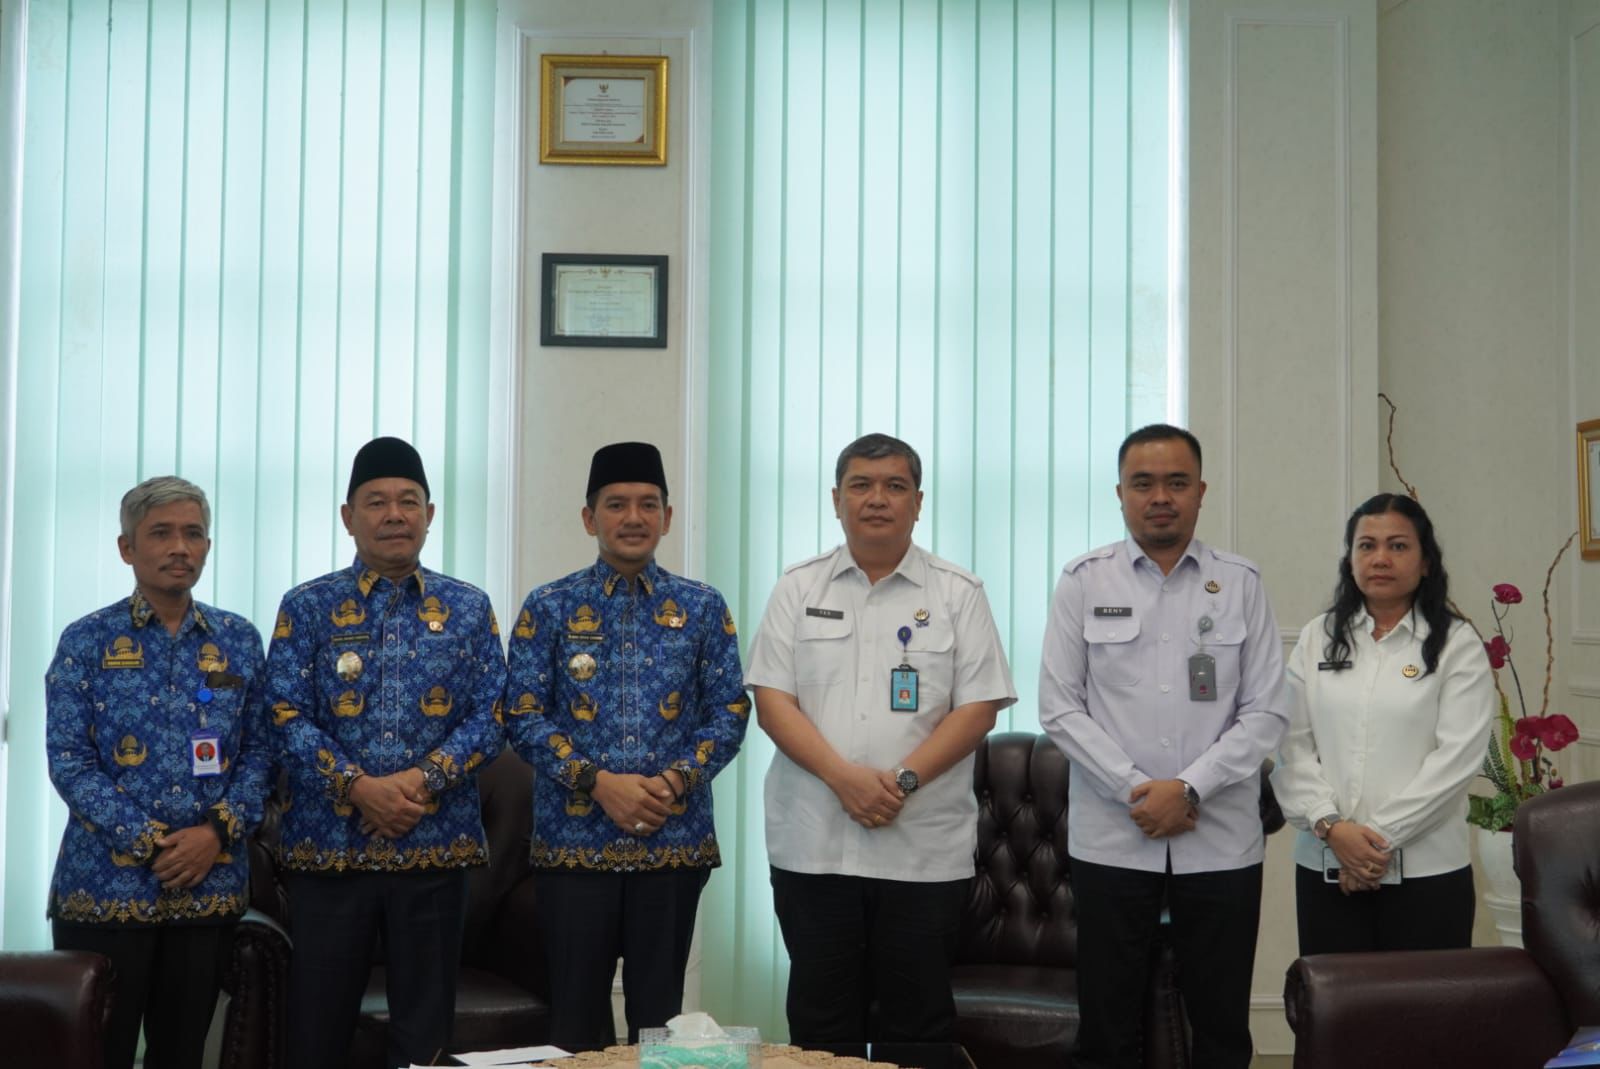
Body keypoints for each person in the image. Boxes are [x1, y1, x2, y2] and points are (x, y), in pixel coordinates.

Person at [745, 432, 1017, 1044]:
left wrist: (900, 781)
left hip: (922, 849)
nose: (877, 499)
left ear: (918, 502)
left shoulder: (958, 594)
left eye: (895, 486)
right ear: (835, 499)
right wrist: (844, 780)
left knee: (918, 1025)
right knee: (820, 1021)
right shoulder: (798, 587)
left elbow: (977, 709)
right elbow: (772, 702)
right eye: (861, 486)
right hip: (814, 845)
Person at [1037, 423, 1286, 1069]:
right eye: (1143, 483)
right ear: (1119, 493)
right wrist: (1137, 790)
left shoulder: (1241, 582)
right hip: (1115, 835)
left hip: (1220, 838)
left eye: (1177, 482)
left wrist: (1190, 787)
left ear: (1201, 491)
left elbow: (1266, 710)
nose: (1160, 496)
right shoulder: (1083, 582)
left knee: (1222, 1027)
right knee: (1108, 1027)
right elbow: (1059, 707)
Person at [265, 436, 506, 1069]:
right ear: (349, 516)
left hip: (434, 845)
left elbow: (492, 716)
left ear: (431, 513)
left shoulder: (469, 607)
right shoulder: (307, 606)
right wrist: (358, 787)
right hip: (329, 853)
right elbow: (283, 715)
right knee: (316, 1027)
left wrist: (422, 782)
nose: (394, 514)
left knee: (424, 1035)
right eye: (376, 502)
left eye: (408, 501)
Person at [503, 442, 749, 1050]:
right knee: (575, 1019)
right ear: (590, 518)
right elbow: (522, 714)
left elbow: (730, 711)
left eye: (648, 504)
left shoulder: (702, 606)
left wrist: (674, 782)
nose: (633, 517)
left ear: (668, 516)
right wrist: (598, 782)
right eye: (616, 504)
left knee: (660, 1021)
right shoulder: (549, 606)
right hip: (573, 848)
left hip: (672, 843)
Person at [45, 476, 273, 1069]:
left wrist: (214, 835)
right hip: (104, 891)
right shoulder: (87, 640)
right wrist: (153, 843)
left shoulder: (238, 641)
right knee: (100, 1051)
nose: (180, 547)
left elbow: (261, 754)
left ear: (208, 545)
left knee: (182, 1052)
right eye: (162, 534)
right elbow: (69, 760)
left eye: (193, 534)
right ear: (127, 549)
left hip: (209, 887)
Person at [1271, 493, 1494, 955]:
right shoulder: (1318, 637)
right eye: (1366, 545)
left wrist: (1372, 845)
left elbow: (1456, 760)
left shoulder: (1457, 644)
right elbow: (1291, 746)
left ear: (1426, 561)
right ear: (1349, 559)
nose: (1380, 559)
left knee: (1427, 1018)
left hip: (1427, 874)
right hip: (1325, 867)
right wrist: (1332, 828)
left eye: (1398, 546)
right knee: (1335, 1018)